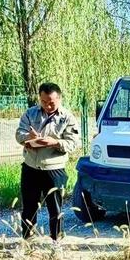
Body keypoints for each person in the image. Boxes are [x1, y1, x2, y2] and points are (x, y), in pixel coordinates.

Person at [15, 82, 80, 244]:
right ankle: (28, 240)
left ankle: (56, 241)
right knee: (29, 207)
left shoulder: (67, 118)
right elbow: (19, 133)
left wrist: (54, 142)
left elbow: (72, 144)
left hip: (54, 169)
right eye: (44, 102)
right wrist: (28, 138)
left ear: (59, 99)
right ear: (40, 99)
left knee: (55, 209)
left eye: (51, 102)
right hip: (31, 168)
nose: (48, 105)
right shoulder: (30, 113)